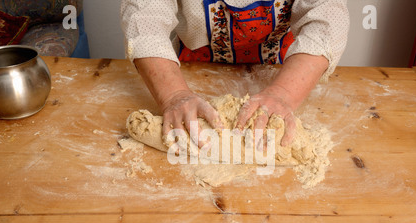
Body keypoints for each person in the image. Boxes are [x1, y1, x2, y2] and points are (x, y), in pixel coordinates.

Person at [121, 0, 349, 148]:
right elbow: (145, 18)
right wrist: (173, 95)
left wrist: (284, 93)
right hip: (190, 71)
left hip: (281, 72)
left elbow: (328, 20)